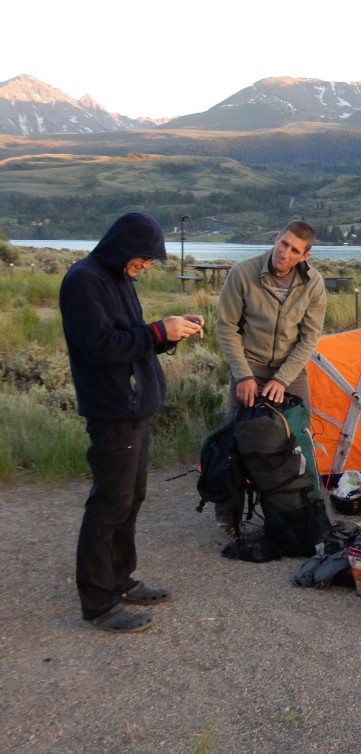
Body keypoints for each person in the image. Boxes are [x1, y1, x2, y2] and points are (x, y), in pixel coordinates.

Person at [60, 211, 206, 633]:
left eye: (150, 260)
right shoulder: (84, 280)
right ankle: (99, 603)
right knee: (109, 504)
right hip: (111, 410)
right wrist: (158, 332)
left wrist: (167, 334)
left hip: (134, 406)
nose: (146, 266)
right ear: (123, 247)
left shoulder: (119, 280)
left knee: (130, 498)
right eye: (143, 258)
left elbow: (129, 338)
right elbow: (99, 347)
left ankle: (120, 579)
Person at [214, 220, 326, 535]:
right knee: (236, 440)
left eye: (294, 250)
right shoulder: (243, 273)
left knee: (300, 438)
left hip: (290, 371)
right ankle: (227, 514)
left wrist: (282, 379)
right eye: (283, 244)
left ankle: (304, 509)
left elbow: (308, 338)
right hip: (249, 366)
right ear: (276, 239)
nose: (285, 253)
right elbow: (226, 327)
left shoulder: (313, 284)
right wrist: (243, 375)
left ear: (305, 256)